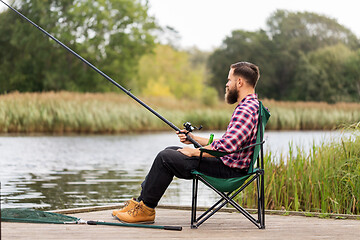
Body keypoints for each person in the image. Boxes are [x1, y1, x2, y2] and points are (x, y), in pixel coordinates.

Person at [112, 61, 261, 224]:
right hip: (229, 165)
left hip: (229, 171)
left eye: (229, 80)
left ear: (239, 82)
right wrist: (194, 139)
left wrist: (194, 152)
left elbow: (227, 146)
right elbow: (231, 141)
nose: (227, 84)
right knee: (171, 150)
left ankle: (146, 210)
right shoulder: (252, 106)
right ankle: (140, 203)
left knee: (165, 157)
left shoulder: (245, 109)